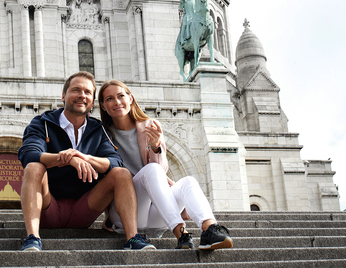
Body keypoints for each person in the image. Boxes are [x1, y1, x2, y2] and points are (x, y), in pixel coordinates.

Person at [17, 71, 155, 252]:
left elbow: (115, 162)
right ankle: (32, 238)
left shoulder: (99, 129)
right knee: (34, 167)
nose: (82, 95)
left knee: (121, 173)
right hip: (47, 206)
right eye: (76, 90)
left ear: (92, 101)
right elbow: (28, 154)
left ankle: (132, 238)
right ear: (64, 95)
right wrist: (68, 159)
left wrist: (84, 157)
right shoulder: (42, 123)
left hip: (83, 209)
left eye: (88, 92)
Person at [98, 79, 233, 250]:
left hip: (157, 214)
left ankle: (210, 229)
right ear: (102, 106)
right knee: (151, 170)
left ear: (130, 98)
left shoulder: (150, 126)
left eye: (120, 96)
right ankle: (181, 233)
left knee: (188, 182)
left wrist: (155, 147)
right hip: (124, 213)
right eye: (109, 99)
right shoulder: (101, 132)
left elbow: (160, 171)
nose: (117, 102)